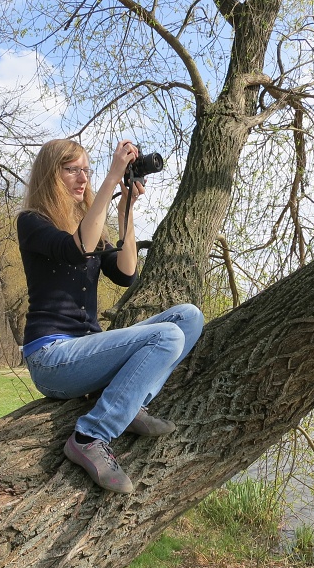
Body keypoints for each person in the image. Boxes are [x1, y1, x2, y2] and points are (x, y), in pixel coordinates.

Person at [17, 138, 204, 493]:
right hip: (52, 357)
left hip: (86, 350)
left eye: (86, 170)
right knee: (167, 336)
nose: (82, 178)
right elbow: (77, 249)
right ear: (49, 174)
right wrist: (111, 178)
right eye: (71, 169)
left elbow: (126, 273)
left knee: (188, 317)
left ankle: (130, 405)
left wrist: (125, 213)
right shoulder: (32, 222)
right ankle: (89, 436)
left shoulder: (89, 224)